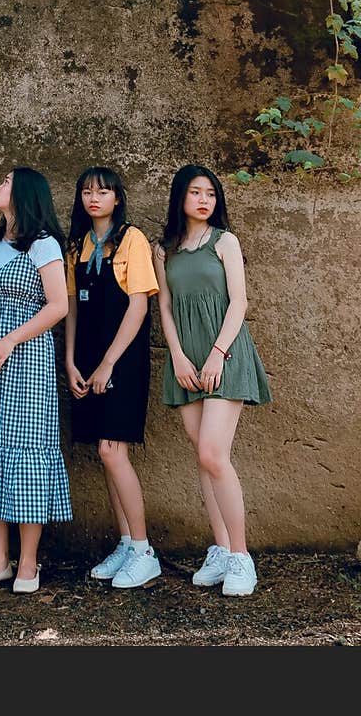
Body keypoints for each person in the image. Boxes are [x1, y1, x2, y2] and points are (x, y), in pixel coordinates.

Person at [154, 164, 271, 597]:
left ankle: (241, 557)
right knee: (202, 456)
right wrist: (179, 358)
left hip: (225, 353)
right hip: (186, 360)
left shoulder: (226, 241)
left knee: (213, 452)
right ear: (180, 198)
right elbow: (164, 307)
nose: (204, 200)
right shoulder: (164, 249)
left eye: (210, 194)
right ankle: (220, 549)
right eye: (195, 193)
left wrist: (218, 354)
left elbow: (239, 301)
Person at [0, 167, 71, 594]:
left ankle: (28, 563)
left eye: (5, 182)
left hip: (27, 358)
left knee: (23, 450)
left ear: (24, 194)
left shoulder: (43, 245)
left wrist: (10, 340)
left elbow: (58, 305)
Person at [65, 166, 161, 589]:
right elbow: (71, 308)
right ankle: (125, 542)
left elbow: (138, 307)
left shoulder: (132, 239)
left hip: (122, 359)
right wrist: (70, 361)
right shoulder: (78, 244)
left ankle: (143, 550)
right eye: (87, 191)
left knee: (112, 449)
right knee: (104, 454)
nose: (94, 198)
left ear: (117, 198)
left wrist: (108, 364)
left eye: (103, 191)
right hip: (85, 360)